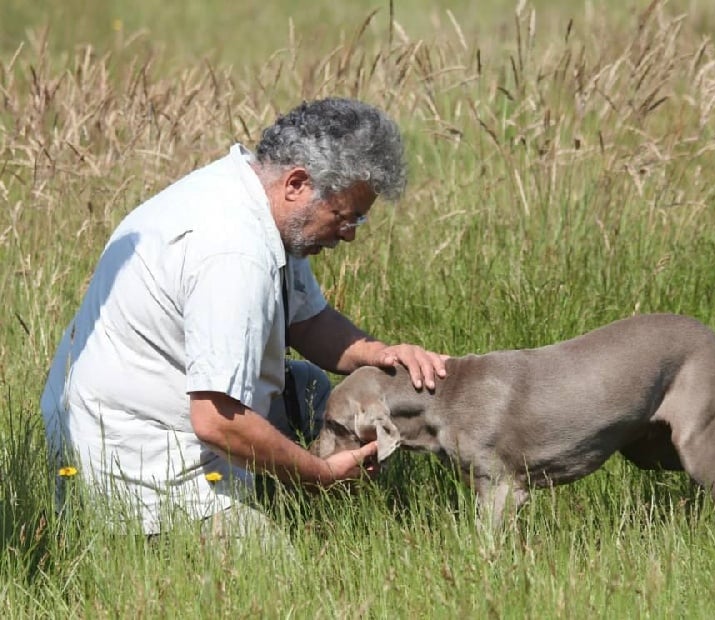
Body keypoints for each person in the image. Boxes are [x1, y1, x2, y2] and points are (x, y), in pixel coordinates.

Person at [40, 97, 448, 535]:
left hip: (158, 410)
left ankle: (296, 488)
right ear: (297, 183)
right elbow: (216, 420)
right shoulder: (233, 255)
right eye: (346, 217)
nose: (348, 235)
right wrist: (320, 475)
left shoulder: (257, 199)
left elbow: (308, 321)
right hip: (138, 463)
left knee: (308, 388)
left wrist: (381, 354)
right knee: (274, 568)